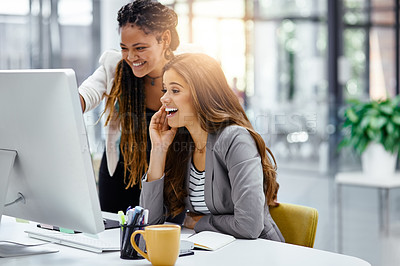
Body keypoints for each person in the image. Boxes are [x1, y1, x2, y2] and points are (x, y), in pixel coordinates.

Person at [140, 53, 285, 241]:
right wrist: (158, 150)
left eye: (175, 91)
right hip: (215, 253)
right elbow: (150, 224)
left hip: (257, 253)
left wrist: (200, 223)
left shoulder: (235, 139)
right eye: (164, 90)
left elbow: (249, 226)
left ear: (202, 94)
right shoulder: (183, 146)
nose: (164, 99)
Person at [78, 0, 180, 213]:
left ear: (165, 39)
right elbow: (84, 95)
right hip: (119, 175)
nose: (131, 57)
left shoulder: (185, 74)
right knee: (113, 241)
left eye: (140, 48)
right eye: (124, 48)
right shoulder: (116, 67)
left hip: (166, 176)